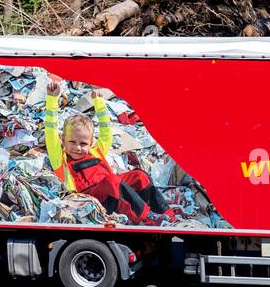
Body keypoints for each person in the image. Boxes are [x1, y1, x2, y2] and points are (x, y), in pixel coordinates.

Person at [44, 78, 173, 224]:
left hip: (112, 193)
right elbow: (50, 131)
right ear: (63, 141)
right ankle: (147, 218)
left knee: (139, 176)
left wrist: (99, 103)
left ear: (91, 143)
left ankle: (169, 215)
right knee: (112, 181)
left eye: (83, 143)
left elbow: (106, 131)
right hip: (90, 200)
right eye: (72, 142)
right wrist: (52, 100)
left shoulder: (96, 151)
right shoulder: (60, 161)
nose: (78, 147)